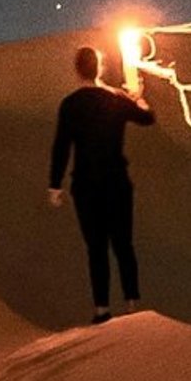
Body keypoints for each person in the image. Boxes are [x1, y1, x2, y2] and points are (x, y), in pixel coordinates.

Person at [47, 44, 155, 321]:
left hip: (85, 186)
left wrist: (55, 185)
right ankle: (132, 304)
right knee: (123, 244)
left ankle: (101, 309)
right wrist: (138, 98)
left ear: (77, 70)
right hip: (117, 182)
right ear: (100, 68)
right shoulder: (116, 99)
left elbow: (62, 146)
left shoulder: (70, 104)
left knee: (96, 248)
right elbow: (147, 119)